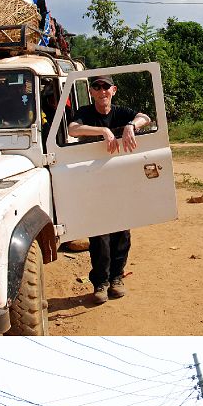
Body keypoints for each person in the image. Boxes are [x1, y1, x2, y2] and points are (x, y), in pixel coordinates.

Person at [66, 75, 152, 304]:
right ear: (92, 92)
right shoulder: (85, 112)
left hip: (120, 182)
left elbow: (145, 117)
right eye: (97, 87)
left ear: (113, 90)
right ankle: (101, 282)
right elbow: (73, 129)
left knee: (122, 233)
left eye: (106, 87)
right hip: (94, 182)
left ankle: (117, 278)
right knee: (99, 235)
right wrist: (104, 132)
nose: (102, 91)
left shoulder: (121, 111)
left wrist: (130, 126)